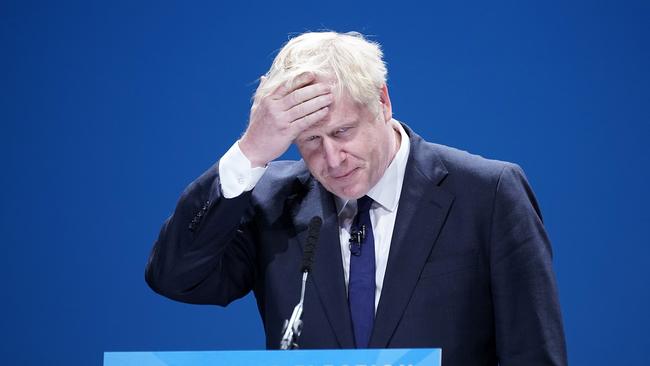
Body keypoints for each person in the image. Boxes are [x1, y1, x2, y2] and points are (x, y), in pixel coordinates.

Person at [145, 31, 567, 365]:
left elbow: (534, 355)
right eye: (309, 140)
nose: (331, 158)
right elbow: (176, 277)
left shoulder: (487, 194)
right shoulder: (271, 201)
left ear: (383, 101)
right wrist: (250, 153)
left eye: (343, 131)